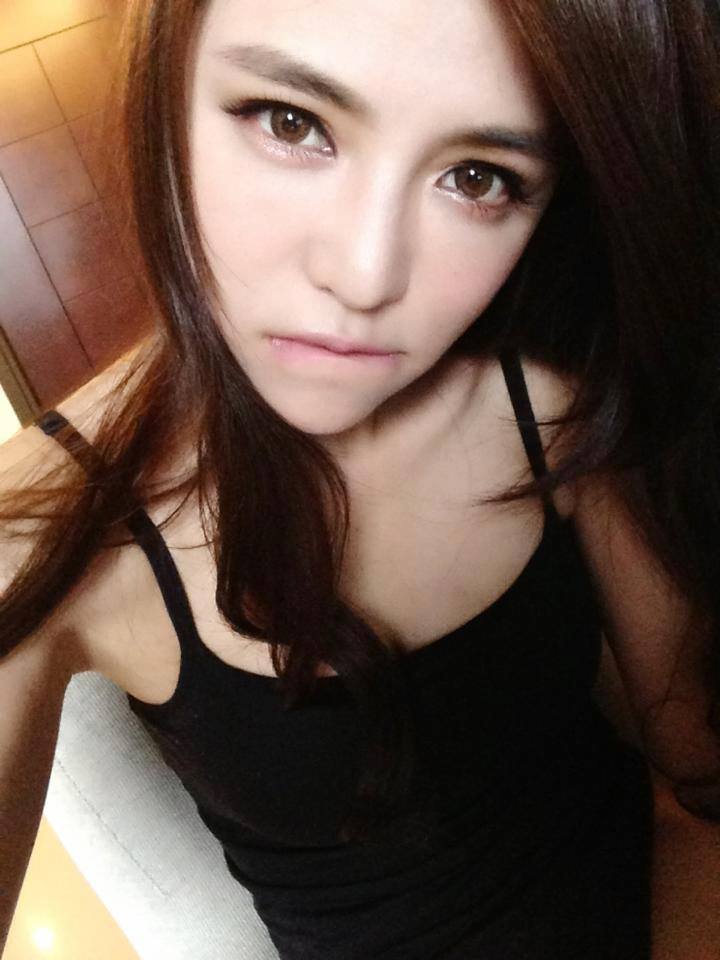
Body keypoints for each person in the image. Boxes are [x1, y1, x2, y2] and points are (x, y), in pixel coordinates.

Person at [1, 0, 719, 956]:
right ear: (165, 92)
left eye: (479, 177)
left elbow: (694, 792)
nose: (367, 276)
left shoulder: (551, 399)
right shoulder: (37, 530)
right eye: (290, 122)